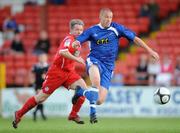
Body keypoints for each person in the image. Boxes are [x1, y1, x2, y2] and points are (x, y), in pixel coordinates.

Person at [72, 8, 159, 123]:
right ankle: (92, 113)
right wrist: (75, 46)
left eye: (110, 17)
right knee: (96, 81)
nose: (108, 20)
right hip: (94, 60)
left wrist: (150, 51)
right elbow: (78, 41)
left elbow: (135, 39)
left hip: (108, 67)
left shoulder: (116, 28)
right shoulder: (92, 30)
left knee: (99, 100)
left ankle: (80, 92)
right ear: (100, 17)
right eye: (106, 17)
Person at [12, 19, 98, 129]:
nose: (79, 32)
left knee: (83, 89)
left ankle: (73, 114)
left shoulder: (78, 42)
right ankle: (19, 114)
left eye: (81, 30)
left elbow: (73, 53)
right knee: (41, 98)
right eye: (77, 29)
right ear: (71, 30)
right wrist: (77, 59)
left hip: (69, 72)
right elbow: (63, 52)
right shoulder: (69, 39)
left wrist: (77, 56)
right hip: (56, 73)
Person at [31, 53, 49, 121]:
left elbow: (50, 75)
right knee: (40, 99)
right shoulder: (36, 66)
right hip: (37, 85)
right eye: (41, 57)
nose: (42, 59)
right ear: (39, 58)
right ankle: (42, 115)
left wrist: (46, 77)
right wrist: (32, 82)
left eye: (44, 57)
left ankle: (35, 112)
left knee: (41, 100)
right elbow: (32, 74)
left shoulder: (48, 66)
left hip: (45, 85)